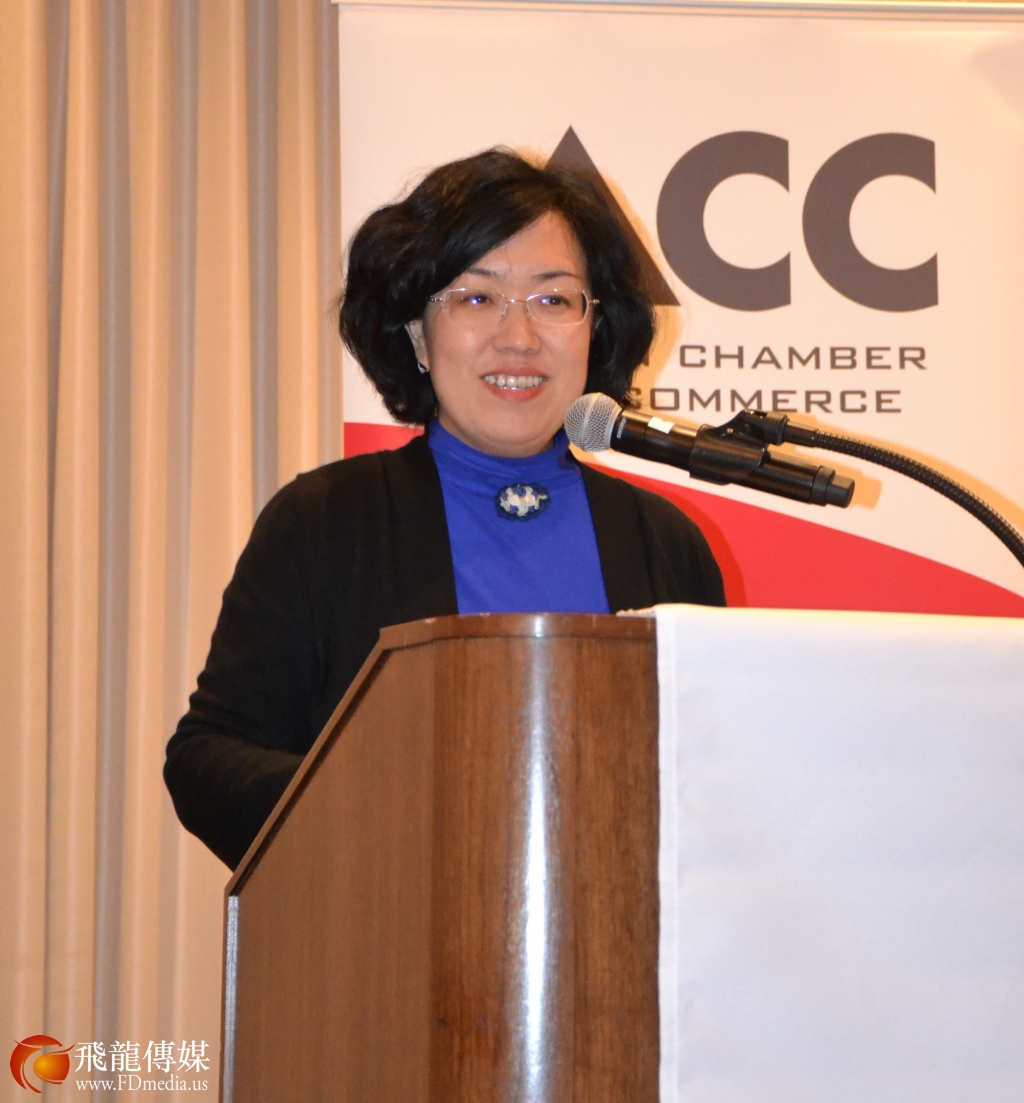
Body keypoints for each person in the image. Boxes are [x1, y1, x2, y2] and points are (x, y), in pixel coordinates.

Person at [164, 149, 725, 869]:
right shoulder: (326, 524)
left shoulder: (665, 543)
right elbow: (207, 760)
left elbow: (716, 775)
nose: (519, 337)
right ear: (417, 335)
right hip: (388, 925)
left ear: (597, 328)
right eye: (476, 298)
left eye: (554, 300)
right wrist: (398, 807)